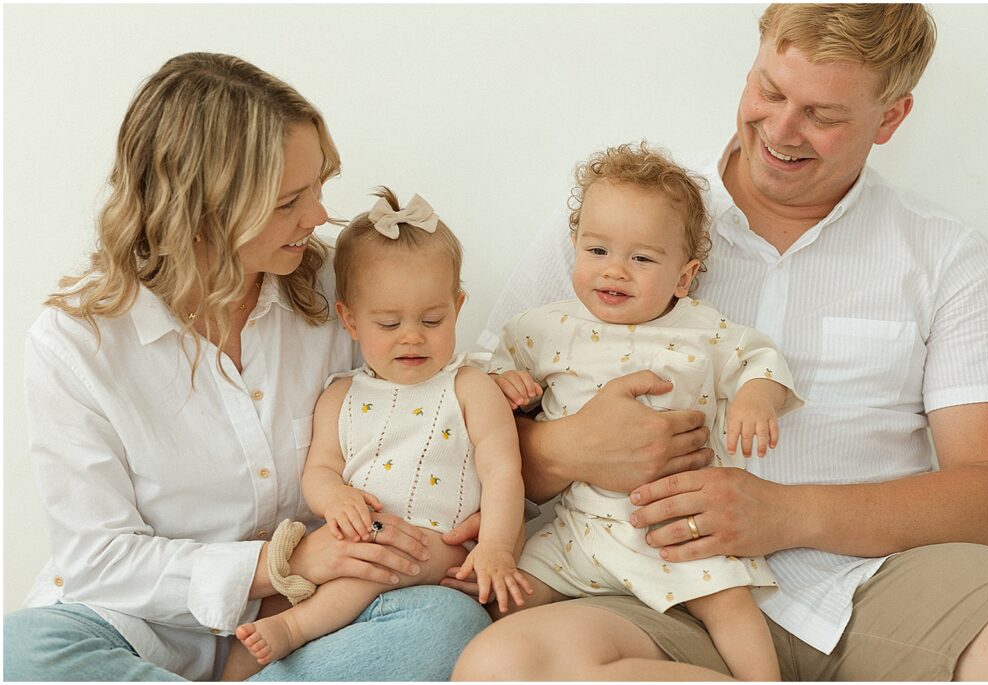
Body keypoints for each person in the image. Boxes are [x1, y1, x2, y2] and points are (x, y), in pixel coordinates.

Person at [452, 4, 988, 681]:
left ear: (891, 118)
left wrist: (787, 513)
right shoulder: (623, 215)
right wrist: (566, 447)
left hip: (880, 581)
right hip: (649, 583)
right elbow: (467, 414)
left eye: (824, 115)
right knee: (504, 667)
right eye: (770, 90)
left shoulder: (944, 253)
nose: (781, 129)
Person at [2, 52, 490, 682]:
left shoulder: (342, 294)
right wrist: (287, 560)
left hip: (316, 621)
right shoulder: (74, 344)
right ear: (204, 205)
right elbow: (97, 561)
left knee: (446, 626)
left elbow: (435, 405)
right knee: (19, 655)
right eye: (290, 200)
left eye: (318, 187)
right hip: (137, 629)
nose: (317, 217)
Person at [486, 142, 803, 680]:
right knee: (503, 601)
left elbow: (760, 360)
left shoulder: (704, 329)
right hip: (579, 529)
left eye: (642, 258)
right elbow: (483, 380)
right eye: (597, 251)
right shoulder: (542, 328)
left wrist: (755, 398)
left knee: (730, 604)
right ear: (575, 248)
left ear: (684, 275)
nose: (615, 272)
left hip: (681, 527)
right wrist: (504, 382)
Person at [231, 188, 530, 672]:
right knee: (267, 607)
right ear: (349, 319)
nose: (412, 336)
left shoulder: (471, 386)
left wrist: (496, 547)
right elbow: (321, 469)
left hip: (436, 552)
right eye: (388, 323)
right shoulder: (341, 394)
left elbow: (502, 471)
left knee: (384, 560)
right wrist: (335, 500)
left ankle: (295, 630)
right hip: (354, 542)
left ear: (457, 307)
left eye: (432, 320)